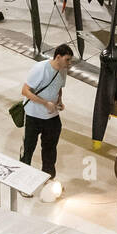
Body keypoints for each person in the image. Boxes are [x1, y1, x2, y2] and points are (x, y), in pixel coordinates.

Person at [19, 43, 74, 191]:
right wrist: (45, 103)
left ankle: (48, 177)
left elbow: (59, 88)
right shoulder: (40, 69)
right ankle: (22, 180)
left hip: (51, 116)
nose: (69, 64)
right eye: (67, 60)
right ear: (58, 57)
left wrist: (60, 101)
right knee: (29, 147)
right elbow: (25, 91)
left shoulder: (62, 71)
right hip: (34, 115)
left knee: (50, 148)